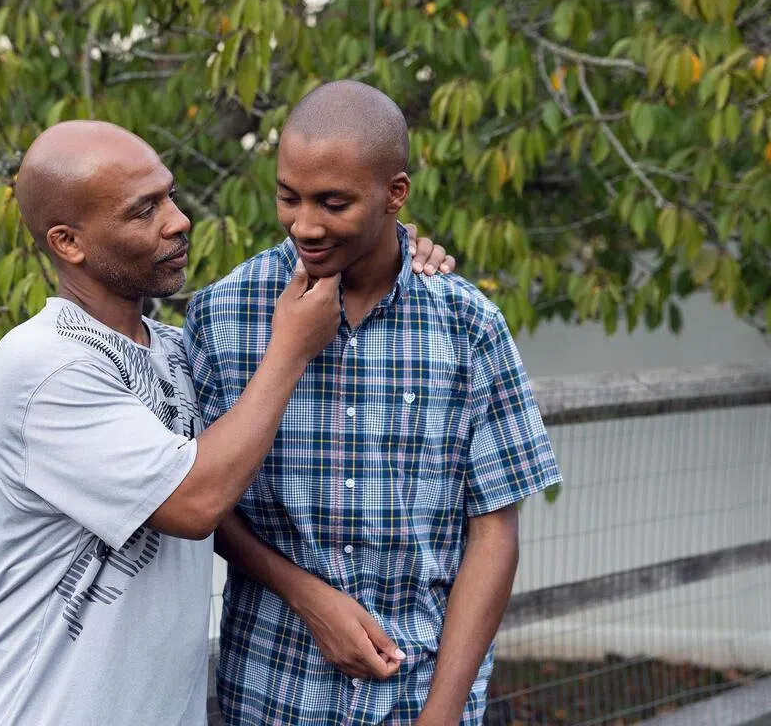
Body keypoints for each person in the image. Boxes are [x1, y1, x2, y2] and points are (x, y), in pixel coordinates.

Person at [0, 119, 456, 726]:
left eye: (168, 195)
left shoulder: (171, 350)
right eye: (144, 211)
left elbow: (229, 460)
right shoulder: (45, 365)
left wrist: (391, 248)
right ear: (68, 243)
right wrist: (290, 350)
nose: (178, 219)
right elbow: (196, 504)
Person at [186, 80, 563, 726]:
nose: (305, 223)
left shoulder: (468, 325)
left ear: (396, 194)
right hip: (276, 694)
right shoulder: (224, 314)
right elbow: (196, 499)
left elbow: (494, 532)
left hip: (423, 698)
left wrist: (442, 713)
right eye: (288, 197)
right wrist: (306, 595)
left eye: (333, 203)